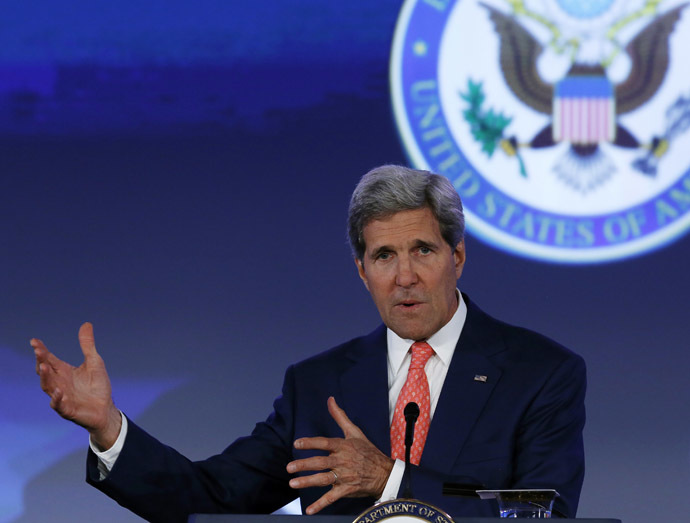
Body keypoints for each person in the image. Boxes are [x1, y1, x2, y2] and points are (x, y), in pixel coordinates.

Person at [32, 165, 585, 522]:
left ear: (457, 258)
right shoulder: (317, 386)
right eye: (384, 257)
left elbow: (542, 516)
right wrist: (109, 428)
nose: (405, 277)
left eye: (423, 250)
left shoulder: (540, 373)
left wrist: (390, 480)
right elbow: (212, 501)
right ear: (361, 272)